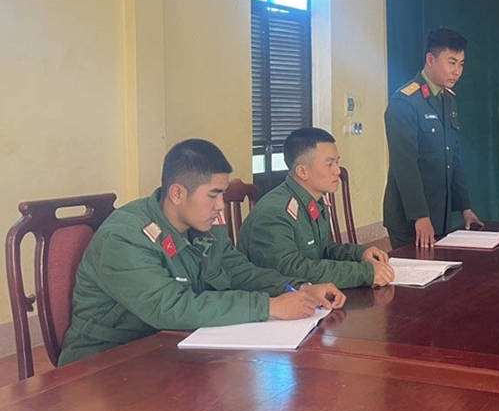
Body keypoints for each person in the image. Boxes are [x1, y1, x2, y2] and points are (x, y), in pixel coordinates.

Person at [59, 139, 345, 366]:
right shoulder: (125, 237)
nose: (221, 205)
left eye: (223, 194)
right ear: (177, 193)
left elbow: (240, 271)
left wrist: (299, 288)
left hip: (173, 347)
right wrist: (268, 306)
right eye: (213, 195)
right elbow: (171, 307)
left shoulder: (204, 226)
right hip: (107, 363)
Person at [238, 128, 394, 289]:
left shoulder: (313, 201)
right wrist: (363, 273)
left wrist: (359, 254)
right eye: (329, 164)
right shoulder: (273, 213)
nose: (337, 171)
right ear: (302, 171)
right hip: (275, 298)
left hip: (309, 295)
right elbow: (293, 270)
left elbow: (322, 250)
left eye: (337, 162)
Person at [383, 27, 484, 249]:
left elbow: (453, 157)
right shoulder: (405, 103)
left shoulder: (448, 99)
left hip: (439, 213)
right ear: (430, 59)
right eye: (451, 62)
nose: (457, 71)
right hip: (410, 218)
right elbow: (405, 165)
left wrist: (464, 207)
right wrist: (420, 216)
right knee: (413, 270)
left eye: (461, 64)